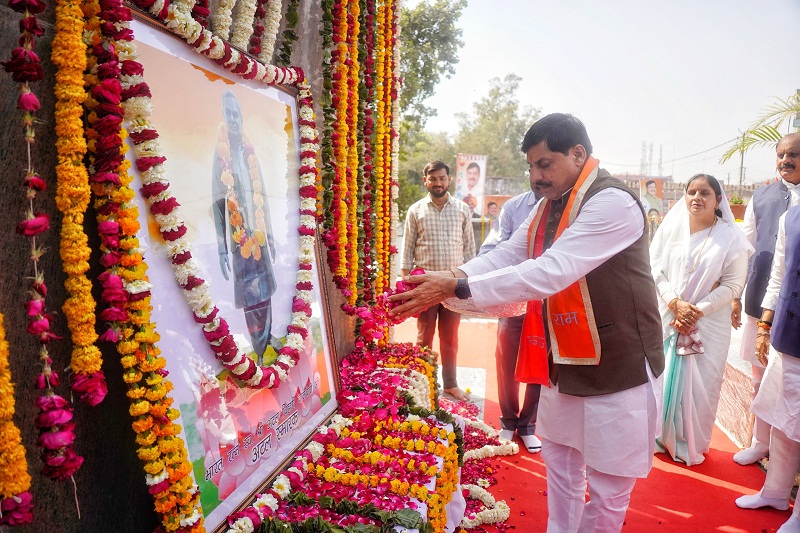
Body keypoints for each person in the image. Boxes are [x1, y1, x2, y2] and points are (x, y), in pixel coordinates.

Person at [391, 113, 665, 532]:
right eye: (531, 167)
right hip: (564, 362)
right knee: (561, 470)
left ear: (578, 154)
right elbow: (505, 254)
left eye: (544, 164)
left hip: (618, 365)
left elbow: (551, 270)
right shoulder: (546, 207)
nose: (535, 177)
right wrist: (453, 278)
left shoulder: (613, 202)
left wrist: (455, 288)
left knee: (609, 491)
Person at [649, 174, 752, 466]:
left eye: (704, 192)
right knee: (663, 376)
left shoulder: (731, 238)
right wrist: (675, 303)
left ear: (718, 200)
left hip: (707, 325)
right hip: (670, 317)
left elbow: (732, 285)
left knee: (701, 386)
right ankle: (659, 434)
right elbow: (655, 269)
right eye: (691, 191)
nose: (697, 197)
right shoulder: (672, 230)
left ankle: (687, 442)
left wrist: (695, 311)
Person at [734, 132, 800, 465]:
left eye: (794, 154)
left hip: (796, 308)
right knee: (759, 374)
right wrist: (735, 293)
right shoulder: (760, 197)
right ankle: (760, 443)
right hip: (761, 297)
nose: (786, 160)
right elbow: (745, 249)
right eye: (781, 154)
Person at [734, 204, 800, 533]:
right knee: (782, 418)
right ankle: (774, 493)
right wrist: (765, 325)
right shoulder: (792, 215)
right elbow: (779, 275)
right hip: (787, 332)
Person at [401, 160, 476, 402]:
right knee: (424, 336)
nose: (438, 183)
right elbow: (407, 248)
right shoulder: (416, 210)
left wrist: (471, 280)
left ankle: (450, 384)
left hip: (452, 286)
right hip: (424, 284)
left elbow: (470, 250)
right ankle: (422, 382)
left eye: (442, 178)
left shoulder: (463, 210)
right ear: (426, 181)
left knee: (450, 337)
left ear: (449, 179)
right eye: (433, 179)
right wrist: (406, 279)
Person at [212, 90, 277, 365]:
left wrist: (270, 233)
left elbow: (263, 195)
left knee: (267, 293)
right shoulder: (220, 156)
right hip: (240, 242)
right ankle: (259, 350)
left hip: (259, 235)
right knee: (252, 298)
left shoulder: (250, 152)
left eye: (237, 114)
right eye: (230, 115)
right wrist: (222, 249)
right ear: (225, 119)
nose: (235, 119)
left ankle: (269, 335)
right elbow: (217, 204)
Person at [479, 187, 542, 453]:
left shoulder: (569, 207)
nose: (540, 174)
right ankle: (508, 420)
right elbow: (490, 248)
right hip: (514, 296)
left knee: (540, 361)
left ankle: (528, 426)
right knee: (506, 358)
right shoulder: (514, 207)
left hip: (548, 299)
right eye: (534, 166)